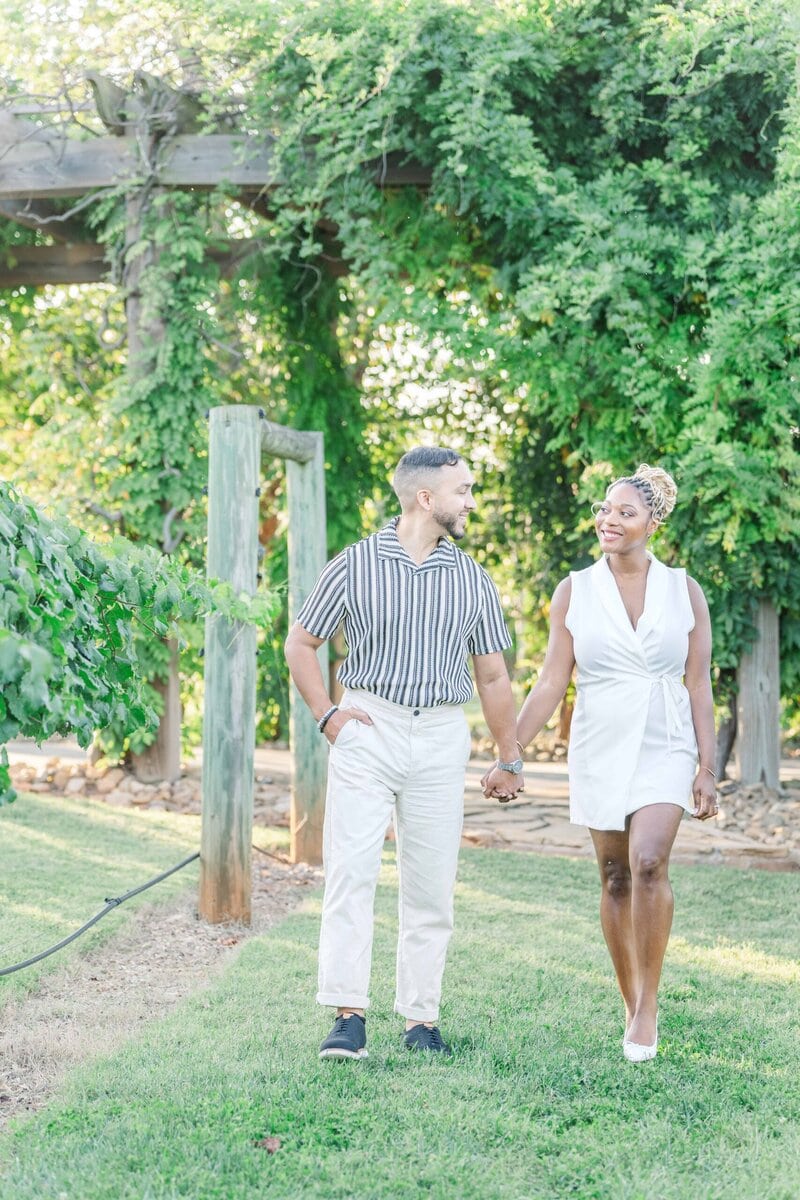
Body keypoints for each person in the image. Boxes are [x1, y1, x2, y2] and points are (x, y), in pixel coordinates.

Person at [284, 446, 524, 1061]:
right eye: (463, 490)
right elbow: (300, 644)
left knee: (431, 885)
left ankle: (421, 1021)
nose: (471, 501)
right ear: (426, 498)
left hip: (442, 734)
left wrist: (509, 755)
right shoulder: (354, 565)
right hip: (369, 727)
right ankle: (347, 1016)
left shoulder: (472, 577)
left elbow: (493, 678)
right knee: (351, 872)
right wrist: (328, 715)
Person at [483, 464, 716, 1062]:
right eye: (605, 509)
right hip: (601, 740)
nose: (609, 520)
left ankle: (650, 1007)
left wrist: (706, 767)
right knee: (614, 877)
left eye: (626, 513)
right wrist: (512, 753)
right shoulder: (575, 590)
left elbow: (697, 683)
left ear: (653, 524)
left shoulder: (685, 590)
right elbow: (552, 680)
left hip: (666, 739)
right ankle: (629, 996)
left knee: (647, 862)